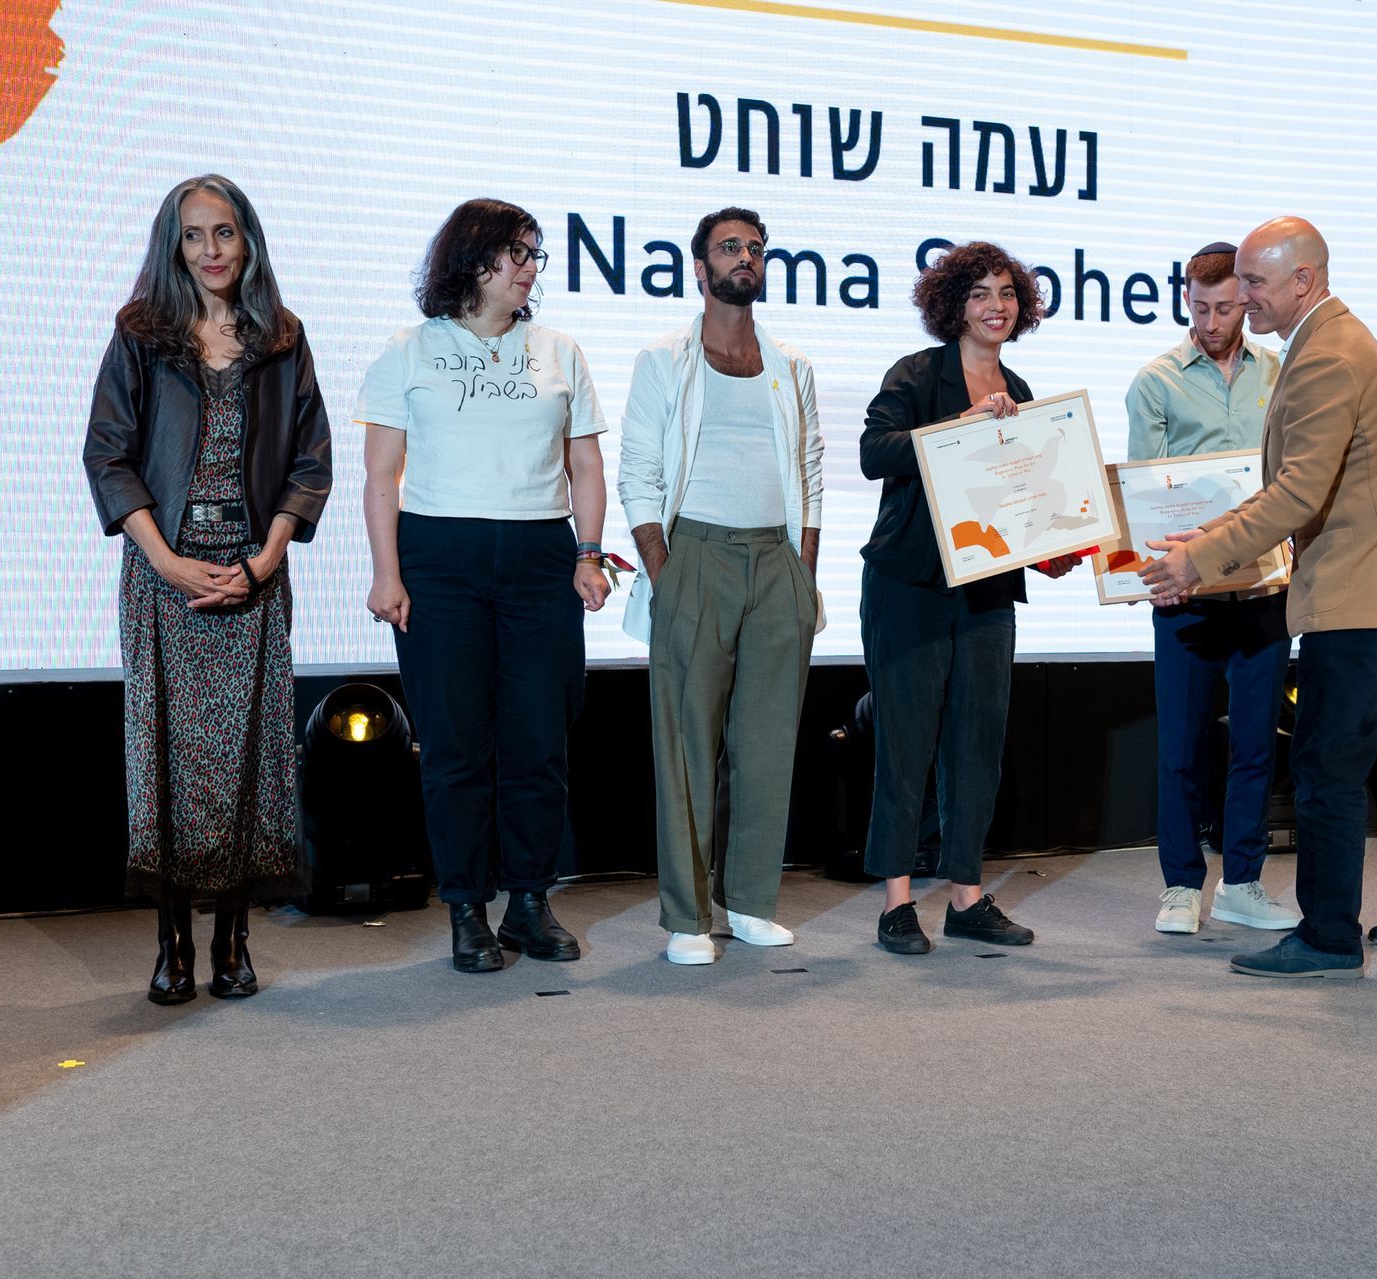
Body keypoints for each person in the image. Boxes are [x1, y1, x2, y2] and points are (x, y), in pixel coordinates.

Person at [1141, 216, 1377, 979]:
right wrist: (1208, 537)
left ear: (1304, 279)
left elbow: (1298, 492)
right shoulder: (1328, 340)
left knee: (1327, 763)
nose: (1243, 296)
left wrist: (1200, 558)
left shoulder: (1326, 353)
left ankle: (1328, 934)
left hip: (1364, 591)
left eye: (1254, 282)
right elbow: (1289, 486)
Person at [83, 174, 332, 1004]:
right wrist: (167, 561)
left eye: (224, 232)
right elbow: (108, 456)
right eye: (194, 235)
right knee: (169, 758)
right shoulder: (140, 333)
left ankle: (233, 938)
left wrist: (263, 561)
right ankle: (172, 943)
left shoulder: (282, 337)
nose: (211, 250)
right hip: (165, 579)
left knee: (249, 760)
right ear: (173, 245)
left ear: (247, 239)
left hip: (253, 576)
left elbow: (310, 463)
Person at [356, 198, 610, 974]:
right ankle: (466, 907)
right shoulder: (408, 351)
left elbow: (587, 464)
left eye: (535, 254)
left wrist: (589, 553)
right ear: (472, 259)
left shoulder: (559, 349)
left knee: (539, 740)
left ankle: (529, 901)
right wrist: (387, 572)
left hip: (540, 554)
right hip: (439, 555)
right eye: (517, 253)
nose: (531, 267)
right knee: (455, 744)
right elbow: (380, 473)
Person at [858, 241, 1080, 955]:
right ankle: (896, 904)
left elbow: (1022, 499)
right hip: (909, 587)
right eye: (981, 292)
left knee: (977, 744)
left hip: (987, 592)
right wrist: (954, 429)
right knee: (905, 744)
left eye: (1008, 292)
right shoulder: (917, 374)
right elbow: (873, 453)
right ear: (953, 304)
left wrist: (1054, 545)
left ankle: (966, 897)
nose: (996, 305)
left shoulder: (1020, 388)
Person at [617, 206, 824, 966]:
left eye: (756, 249)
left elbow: (810, 469)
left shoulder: (791, 364)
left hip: (776, 562)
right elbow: (638, 469)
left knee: (768, 746)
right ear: (700, 268)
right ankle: (688, 916)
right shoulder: (663, 360)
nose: (746, 258)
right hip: (694, 556)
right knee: (686, 746)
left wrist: (803, 569)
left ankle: (751, 902)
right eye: (730, 248)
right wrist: (663, 570)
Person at [1125, 242, 1297, 936]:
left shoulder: (1279, 373)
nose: (1211, 322)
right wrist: (1152, 576)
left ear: (1246, 301)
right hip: (1187, 592)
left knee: (1255, 744)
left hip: (1263, 587)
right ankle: (1179, 885)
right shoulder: (1156, 382)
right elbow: (1144, 490)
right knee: (1181, 747)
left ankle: (1243, 882)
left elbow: (1291, 477)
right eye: (1199, 308)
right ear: (1185, 301)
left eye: (1225, 308)